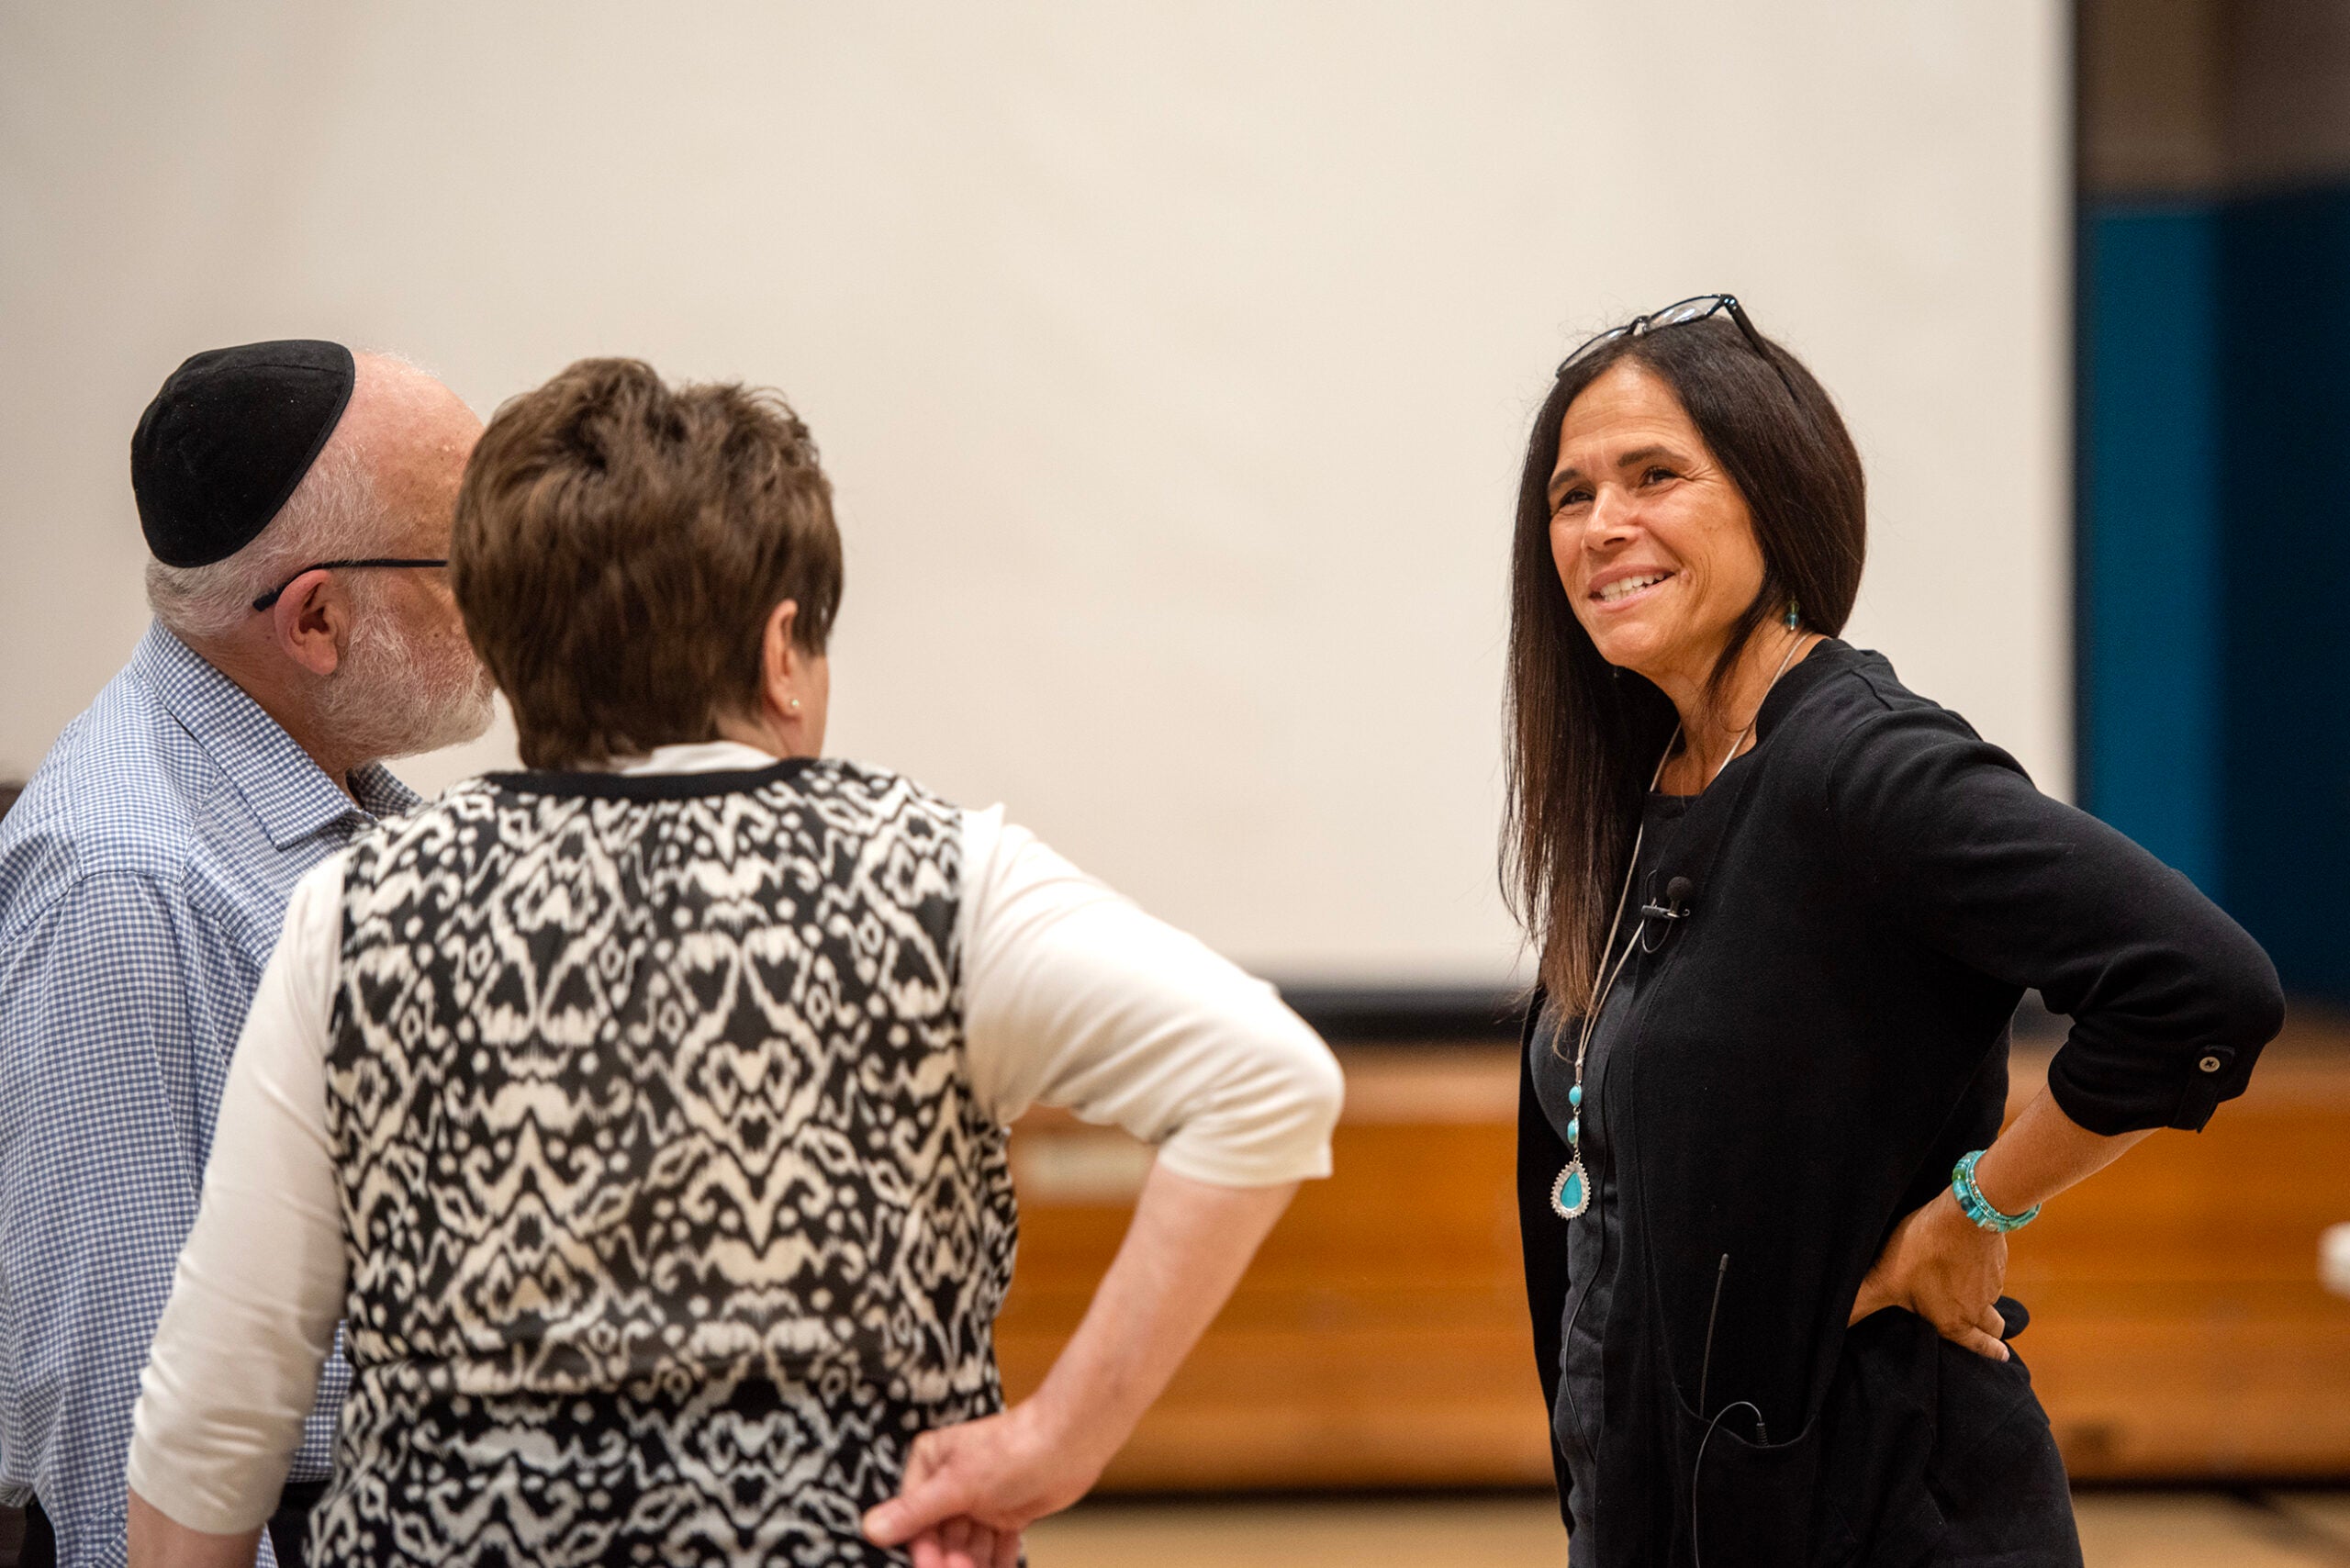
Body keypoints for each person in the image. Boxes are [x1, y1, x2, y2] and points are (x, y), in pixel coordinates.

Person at [121, 358, 1344, 1568]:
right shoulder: (939, 880)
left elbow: (210, 1424)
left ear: (506, 648)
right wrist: (1051, 1448)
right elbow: (1268, 1080)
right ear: (779, 653)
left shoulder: (356, 909)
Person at [1504, 297, 2284, 1566]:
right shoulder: (1655, 776)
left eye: (1657, 475)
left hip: (1885, 1520)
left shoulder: (1862, 765)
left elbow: (2200, 987)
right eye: (1571, 493)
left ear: (1775, 493)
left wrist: (1974, 1212)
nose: (1605, 526)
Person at [0, 341, 494, 1568]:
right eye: (470, 558)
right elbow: (119, 1410)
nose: (514, 593)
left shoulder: (345, 810)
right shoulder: (129, 888)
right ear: (319, 617)